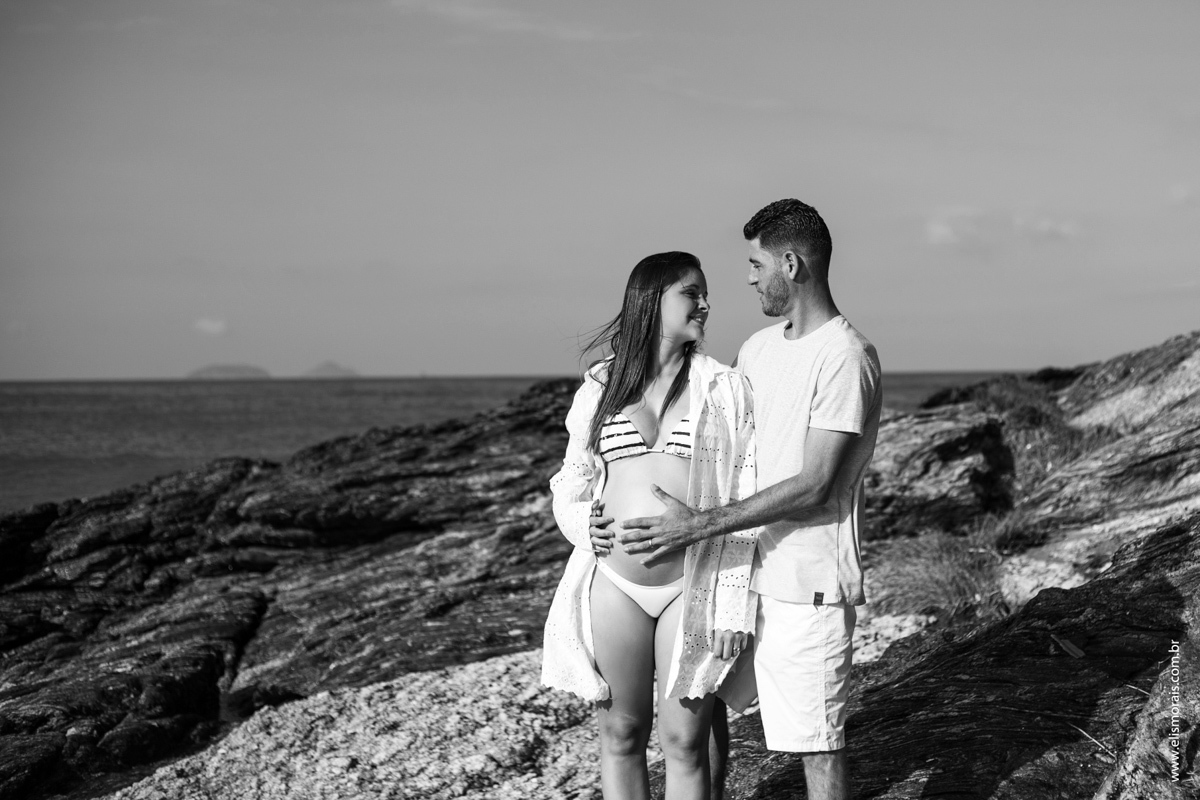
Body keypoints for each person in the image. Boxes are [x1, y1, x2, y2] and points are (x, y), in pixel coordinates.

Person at [616, 201, 882, 800]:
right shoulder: (759, 349)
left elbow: (817, 483)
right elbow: (713, 435)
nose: (749, 277)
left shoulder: (844, 356)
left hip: (804, 584)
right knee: (700, 706)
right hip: (735, 573)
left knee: (816, 744)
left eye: (757, 264)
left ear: (791, 263)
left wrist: (699, 525)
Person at [541, 251, 760, 800]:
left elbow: (744, 495)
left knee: (684, 741)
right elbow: (571, 478)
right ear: (651, 300)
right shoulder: (601, 387)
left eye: (705, 292)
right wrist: (580, 526)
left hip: (692, 581)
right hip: (614, 585)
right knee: (622, 732)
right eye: (692, 293)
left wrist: (734, 602)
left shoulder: (724, 388)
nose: (706, 303)